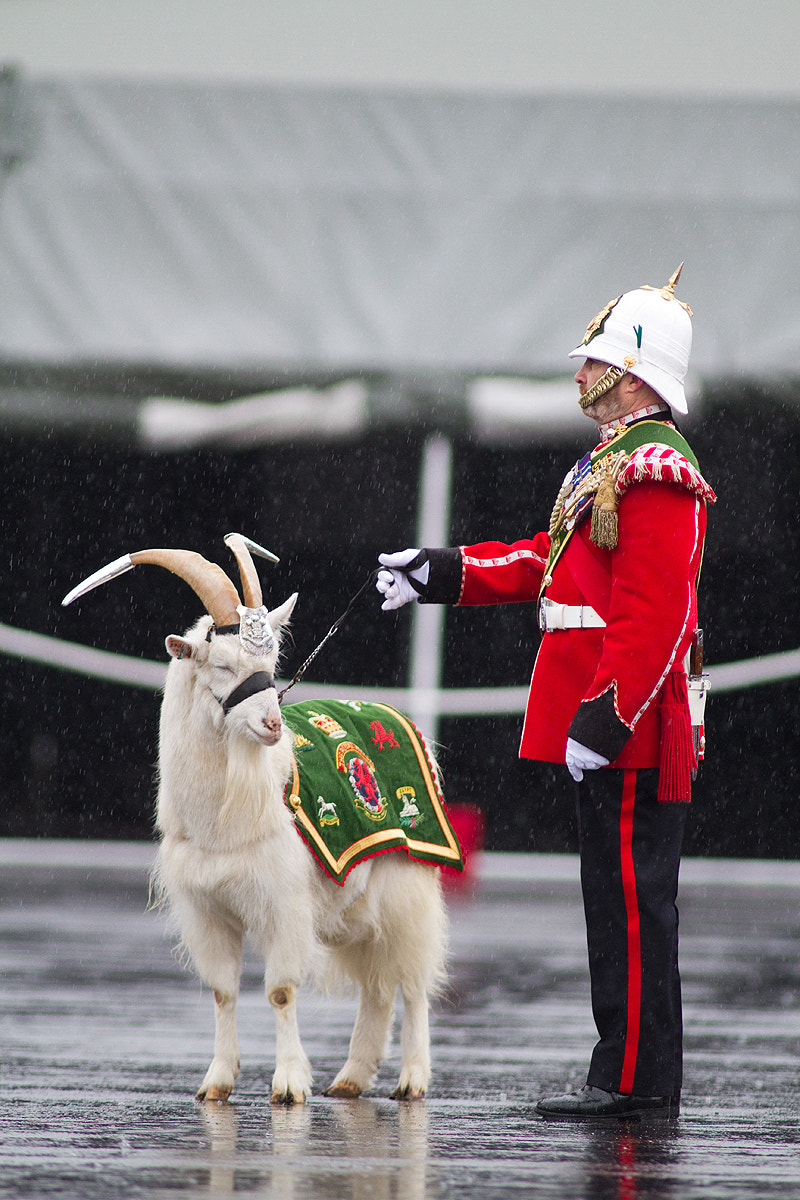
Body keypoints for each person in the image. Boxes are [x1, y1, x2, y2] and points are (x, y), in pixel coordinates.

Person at [375, 266, 716, 1120]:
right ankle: (631, 1072)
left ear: (636, 375)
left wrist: (606, 717)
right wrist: (444, 572)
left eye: (594, 360)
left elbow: (655, 615)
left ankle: (634, 1081)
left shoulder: (658, 470)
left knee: (635, 906)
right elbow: (545, 562)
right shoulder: (609, 461)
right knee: (616, 901)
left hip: (628, 722)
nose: (579, 373)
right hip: (605, 716)